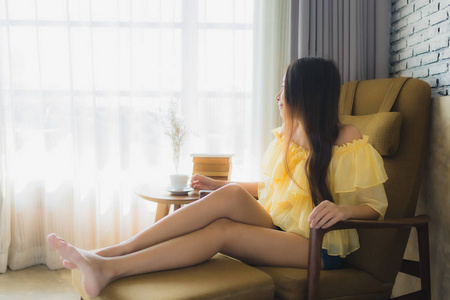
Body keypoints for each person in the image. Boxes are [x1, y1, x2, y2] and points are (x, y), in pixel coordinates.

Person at [47, 57, 388, 298]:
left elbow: (375, 206)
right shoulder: (291, 136)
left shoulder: (347, 139)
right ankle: (113, 252)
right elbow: (274, 190)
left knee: (221, 231)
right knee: (230, 196)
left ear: (306, 95)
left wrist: (343, 211)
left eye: (284, 90)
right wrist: (219, 186)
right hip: (283, 229)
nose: (278, 98)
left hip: (319, 247)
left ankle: (109, 267)